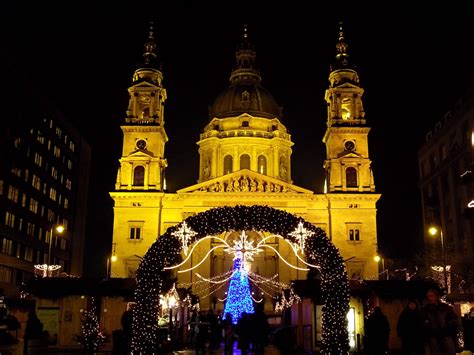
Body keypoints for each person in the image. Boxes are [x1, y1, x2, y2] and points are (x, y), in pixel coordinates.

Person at [421, 288, 460, 355]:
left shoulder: (445, 308)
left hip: (446, 336)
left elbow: (454, 319)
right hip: (433, 337)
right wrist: (429, 330)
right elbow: (422, 323)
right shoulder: (425, 310)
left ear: (436, 297)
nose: (429, 298)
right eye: (428, 296)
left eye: (431, 296)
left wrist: (448, 328)